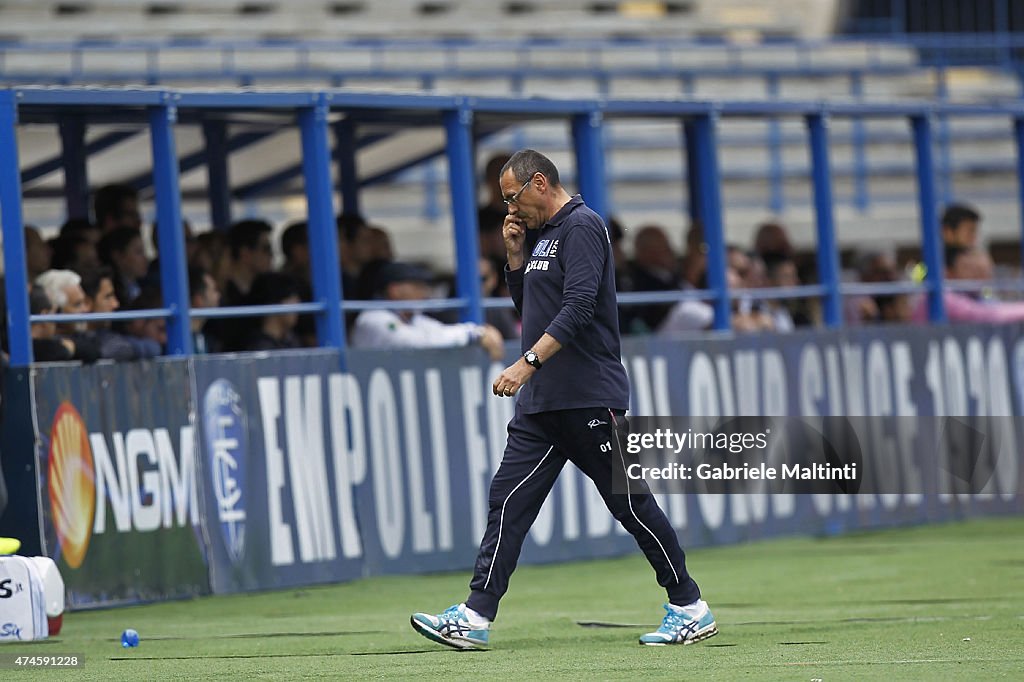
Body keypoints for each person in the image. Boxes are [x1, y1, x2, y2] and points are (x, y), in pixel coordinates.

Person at [410, 149, 715, 650]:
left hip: (588, 395)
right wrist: (513, 260)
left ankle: (689, 606)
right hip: (546, 402)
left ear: (538, 183)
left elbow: (577, 310)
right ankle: (474, 615)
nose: (509, 210)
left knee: (631, 505)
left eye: (512, 198)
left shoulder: (582, 226)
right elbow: (534, 310)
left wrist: (525, 364)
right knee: (507, 500)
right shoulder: (539, 237)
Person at [350, 261, 504, 359]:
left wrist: (478, 332)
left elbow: (437, 331)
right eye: (417, 287)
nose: (424, 293)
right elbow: (415, 342)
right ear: (394, 290)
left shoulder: (412, 318)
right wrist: (472, 335)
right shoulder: (372, 318)